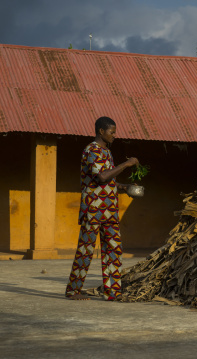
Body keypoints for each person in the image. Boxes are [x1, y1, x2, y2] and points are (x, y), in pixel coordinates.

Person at [65, 116, 139, 301]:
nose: (114, 135)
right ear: (101, 131)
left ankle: (113, 292)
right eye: (111, 132)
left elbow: (109, 180)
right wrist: (127, 164)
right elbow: (102, 177)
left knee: (114, 250)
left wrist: (123, 187)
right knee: (86, 249)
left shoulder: (106, 152)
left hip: (110, 211)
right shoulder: (92, 150)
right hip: (93, 210)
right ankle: (73, 290)